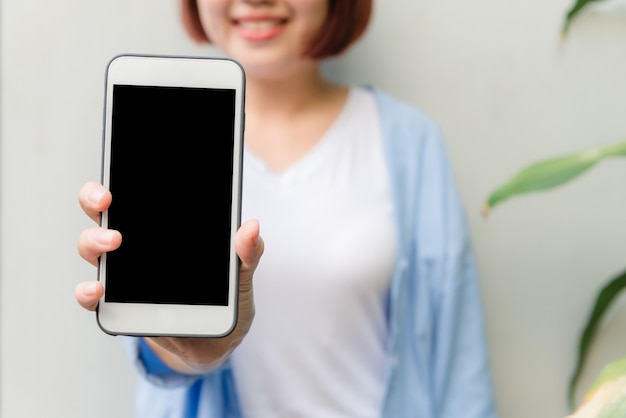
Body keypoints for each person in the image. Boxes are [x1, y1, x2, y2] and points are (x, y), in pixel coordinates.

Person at [75, 0, 499, 417]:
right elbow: (164, 370)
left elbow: (459, 369)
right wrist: (189, 353)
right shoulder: (160, 140)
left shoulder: (411, 143)